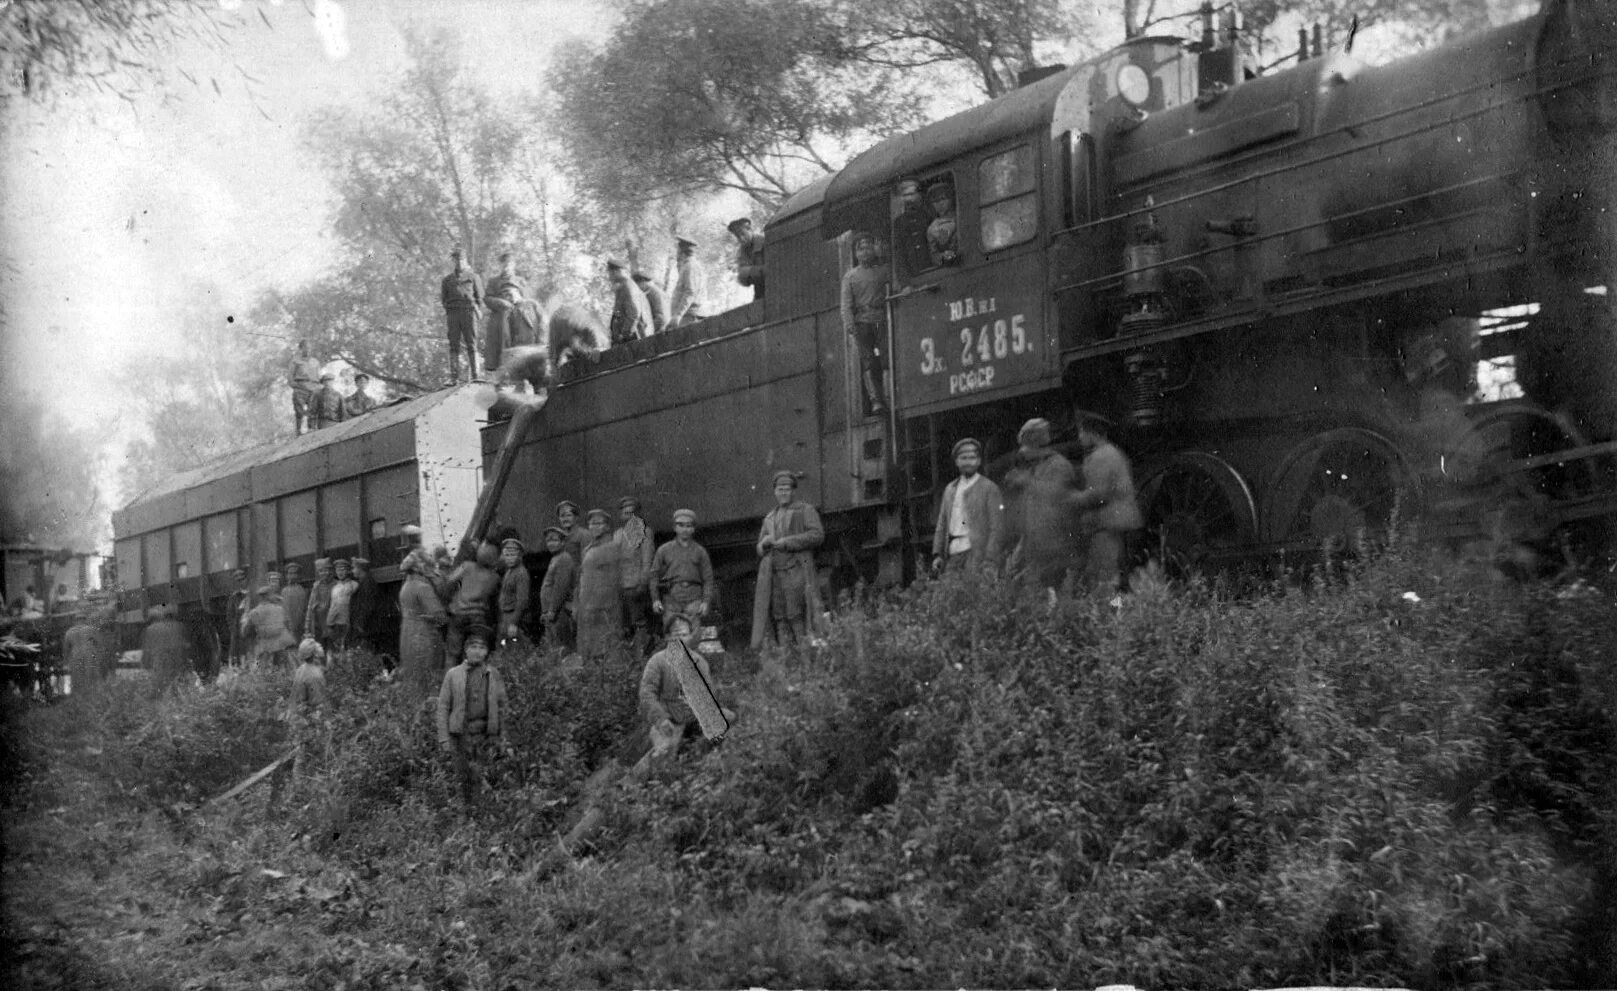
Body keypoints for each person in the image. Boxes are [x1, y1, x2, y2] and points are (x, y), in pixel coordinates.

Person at [638, 609, 735, 764]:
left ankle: (703, 761)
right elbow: (647, 694)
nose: (681, 639)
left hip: (694, 718)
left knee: (728, 720)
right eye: (676, 635)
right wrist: (661, 719)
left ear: (690, 636)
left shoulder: (700, 662)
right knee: (663, 755)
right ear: (668, 637)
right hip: (669, 721)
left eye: (684, 634)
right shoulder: (657, 662)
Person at [1002, 417, 1081, 595]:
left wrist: (1027, 481)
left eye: (1025, 447)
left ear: (1036, 445)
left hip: (1055, 546)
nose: (1022, 452)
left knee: (1056, 594)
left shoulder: (1059, 465)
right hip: (1036, 544)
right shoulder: (1038, 468)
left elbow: (1058, 495)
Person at [750, 470, 827, 649]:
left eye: (787, 489)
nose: (783, 493)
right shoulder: (769, 518)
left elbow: (817, 535)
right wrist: (764, 544)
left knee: (798, 614)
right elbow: (759, 548)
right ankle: (787, 656)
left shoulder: (805, 510)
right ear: (775, 492)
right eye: (780, 489)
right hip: (777, 575)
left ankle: (805, 654)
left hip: (798, 571)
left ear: (793, 491)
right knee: (780, 616)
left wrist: (789, 542)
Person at [436, 623, 509, 810]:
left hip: (485, 735)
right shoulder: (453, 675)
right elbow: (443, 706)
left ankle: (481, 814)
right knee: (462, 776)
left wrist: (503, 736)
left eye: (482, 648)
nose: (477, 652)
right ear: (466, 650)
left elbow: (503, 706)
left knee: (482, 774)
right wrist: (444, 738)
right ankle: (463, 812)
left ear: (487, 652)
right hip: (460, 735)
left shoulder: (493, 674)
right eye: (473, 647)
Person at [1072, 413, 1143, 594]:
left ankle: (1112, 615)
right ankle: (1117, 612)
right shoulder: (1113, 452)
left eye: (1082, 432)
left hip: (1107, 526)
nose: (1080, 437)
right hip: (1116, 525)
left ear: (1092, 433)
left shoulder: (1101, 456)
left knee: (1106, 577)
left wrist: (1071, 498)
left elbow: (1098, 494)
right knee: (1116, 575)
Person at [931, 437, 1006, 574]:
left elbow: (997, 528)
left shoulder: (989, 488)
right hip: (953, 555)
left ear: (978, 461)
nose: (968, 462)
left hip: (977, 555)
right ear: (957, 462)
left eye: (972, 458)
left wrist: (990, 560)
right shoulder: (950, 489)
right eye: (963, 458)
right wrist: (937, 554)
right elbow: (942, 524)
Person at [840, 231, 890, 416]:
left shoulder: (883, 270)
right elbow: (846, 304)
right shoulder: (850, 277)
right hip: (862, 323)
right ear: (855, 253)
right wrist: (850, 325)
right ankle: (876, 400)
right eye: (861, 249)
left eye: (868, 247)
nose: (865, 252)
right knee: (868, 361)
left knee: (886, 357)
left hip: (882, 319)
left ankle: (889, 395)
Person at [650, 508, 716, 622]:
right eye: (681, 525)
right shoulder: (663, 550)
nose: (685, 529)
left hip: (694, 600)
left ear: (693, 529)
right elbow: (654, 576)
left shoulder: (700, 551)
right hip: (671, 600)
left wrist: (705, 602)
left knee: (692, 637)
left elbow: (708, 579)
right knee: (674, 635)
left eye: (688, 526)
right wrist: (655, 600)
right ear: (674, 527)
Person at [398, 549, 449, 695]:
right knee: (429, 675)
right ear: (423, 568)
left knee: (413, 676)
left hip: (407, 634)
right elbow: (440, 617)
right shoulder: (423, 587)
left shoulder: (406, 586)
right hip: (424, 636)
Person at [575, 508, 623, 661]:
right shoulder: (588, 549)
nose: (594, 527)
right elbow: (581, 576)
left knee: (607, 644)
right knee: (588, 645)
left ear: (607, 527)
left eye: (598, 523)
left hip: (604, 606)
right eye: (591, 524)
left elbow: (614, 579)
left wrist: (599, 603)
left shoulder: (612, 547)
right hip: (586, 605)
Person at [613, 496, 657, 655]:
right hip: (621, 585)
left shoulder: (644, 532)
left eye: (632, 513)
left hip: (635, 584)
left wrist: (643, 582)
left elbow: (647, 559)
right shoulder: (618, 534)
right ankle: (628, 654)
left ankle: (642, 651)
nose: (629, 517)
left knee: (639, 620)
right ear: (621, 515)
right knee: (624, 621)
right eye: (625, 513)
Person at [445, 541, 501, 664]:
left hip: (459, 614)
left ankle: (450, 679)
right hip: (478, 617)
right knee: (475, 651)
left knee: (453, 652)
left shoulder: (467, 566)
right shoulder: (495, 577)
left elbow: (449, 580)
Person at [440, 245, 485, 385]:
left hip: (468, 312)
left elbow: (480, 297)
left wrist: (477, 309)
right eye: (456, 259)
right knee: (454, 345)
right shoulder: (447, 280)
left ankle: (476, 374)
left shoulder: (473, 277)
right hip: (453, 313)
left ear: (465, 260)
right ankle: (454, 378)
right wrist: (450, 309)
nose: (459, 262)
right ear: (453, 261)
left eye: (461, 259)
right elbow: (444, 299)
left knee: (472, 344)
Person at [484, 251, 525, 373]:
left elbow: (528, 300)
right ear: (500, 266)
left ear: (513, 265)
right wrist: (501, 302)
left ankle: (519, 375)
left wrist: (518, 298)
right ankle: (500, 373)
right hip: (500, 316)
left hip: (518, 315)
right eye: (503, 264)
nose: (506, 267)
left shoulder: (520, 281)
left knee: (521, 342)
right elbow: (487, 298)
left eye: (509, 264)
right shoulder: (493, 281)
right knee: (500, 340)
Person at [61, 607, 116, 697]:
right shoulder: (91, 629)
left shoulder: (69, 632)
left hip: (75, 655)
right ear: (85, 619)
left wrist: (65, 662)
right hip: (88, 654)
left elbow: (66, 649)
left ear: (75, 620)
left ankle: (79, 697)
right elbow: (99, 644)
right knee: (90, 676)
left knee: (77, 678)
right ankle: (90, 697)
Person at [539, 526, 577, 654]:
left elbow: (561, 587)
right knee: (553, 646)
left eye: (555, 540)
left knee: (562, 646)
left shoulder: (564, 559)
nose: (551, 544)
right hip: (552, 611)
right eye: (549, 541)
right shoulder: (555, 558)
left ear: (563, 542)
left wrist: (552, 610)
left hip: (560, 611)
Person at [241, 586, 297, 668]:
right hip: (281, 646)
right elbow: (288, 626)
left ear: (260, 598)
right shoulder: (279, 609)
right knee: (285, 668)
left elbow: (245, 631)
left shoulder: (254, 612)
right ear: (269, 596)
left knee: (259, 667)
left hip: (264, 648)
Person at [141, 605, 193, 689]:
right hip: (178, 660)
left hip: (161, 662)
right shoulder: (180, 626)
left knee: (161, 687)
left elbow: (147, 652)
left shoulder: (149, 630)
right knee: (180, 685)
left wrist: (146, 664)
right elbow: (185, 647)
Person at [891, 178, 934, 278]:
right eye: (905, 196)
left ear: (919, 196)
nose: (909, 199)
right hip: (914, 277)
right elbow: (899, 253)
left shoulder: (929, 215)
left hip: (934, 270)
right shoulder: (899, 222)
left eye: (911, 194)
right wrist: (905, 282)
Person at [607, 258, 652, 345]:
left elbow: (634, 313)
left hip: (633, 339)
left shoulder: (628, 287)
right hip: (630, 338)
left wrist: (624, 335)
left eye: (610, 272)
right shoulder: (623, 287)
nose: (609, 276)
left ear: (615, 272)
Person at [497, 536, 530, 643]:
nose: (509, 558)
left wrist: (513, 623)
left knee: (515, 646)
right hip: (506, 614)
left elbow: (522, 600)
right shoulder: (509, 571)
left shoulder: (521, 573)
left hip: (514, 615)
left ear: (519, 556)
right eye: (507, 555)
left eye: (513, 555)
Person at [668, 234, 706, 326]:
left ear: (681, 251)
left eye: (678, 250)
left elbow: (690, 292)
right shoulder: (689, 266)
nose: (676, 253)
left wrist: (678, 315)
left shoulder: (690, 266)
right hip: (687, 316)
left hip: (689, 317)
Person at [348, 557, 382, 655]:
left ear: (360, 569)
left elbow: (367, 606)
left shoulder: (367, 584)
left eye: (354, 568)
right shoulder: (363, 583)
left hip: (366, 629)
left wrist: (360, 624)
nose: (352, 571)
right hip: (364, 628)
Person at [288, 637, 328, 720]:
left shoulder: (300, 670)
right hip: (308, 717)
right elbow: (317, 702)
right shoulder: (316, 674)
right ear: (314, 654)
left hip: (296, 714)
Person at [326, 558, 359, 654]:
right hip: (336, 623)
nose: (340, 572)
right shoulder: (335, 588)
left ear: (348, 571)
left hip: (348, 621)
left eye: (343, 569)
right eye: (338, 570)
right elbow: (333, 605)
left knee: (349, 649)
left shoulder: (354, 585)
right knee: (337, 650)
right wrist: (329, 622)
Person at [290, 340, 321, 435]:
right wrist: (297, 386)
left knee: (313, 411)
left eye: (309, 348)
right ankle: (299, 431)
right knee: (299, 412)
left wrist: (318, 387)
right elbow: (290, 378)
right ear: (300, 349)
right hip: (301, 388)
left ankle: (312, 430)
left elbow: (319, 377)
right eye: (305, 348)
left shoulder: (315, 362)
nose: (307, 350)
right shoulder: (295, 361)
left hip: (313, 388)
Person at [926, 180, 961, 267]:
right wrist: (943, 256)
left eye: (943, 198)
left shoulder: (961, 214)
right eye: (935, 201)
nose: (939, 204)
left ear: (951, 198)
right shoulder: (933, 228)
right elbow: (934, 256)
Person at [729, 217, 766, 298]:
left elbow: (774, 269)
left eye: (742, 234)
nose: (741, 239)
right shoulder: (742, 251)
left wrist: (749, 272)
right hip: (760, 293)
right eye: (737, 236)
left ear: (750, 229)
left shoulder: (765, 242)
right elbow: (743, 279)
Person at [305, 557, 335, 646]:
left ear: (330, 571)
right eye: (321, 571)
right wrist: (307, 625)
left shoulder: (336, 585)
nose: (324, 573)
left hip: (332, 624)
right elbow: (310, 606)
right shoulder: (316, 586)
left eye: (326, 570)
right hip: (318, 625)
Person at [225, 568, 251, 667]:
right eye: (238, 581)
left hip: (250, 630)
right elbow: (230, 615)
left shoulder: (251, 595)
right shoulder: (234, 597)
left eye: (242, 579)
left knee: (252, 654)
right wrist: (234, 629)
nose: (241, 582)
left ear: (246, 579)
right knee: (237, 654)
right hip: (238, 632)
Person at [280, 562, 308, 642]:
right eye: (290, 573)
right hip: (285, 626)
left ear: (299, 576)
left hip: (298, 626)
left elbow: (302, 610)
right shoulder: (284, 591)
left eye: (294, 573)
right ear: (286, 576)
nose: (292, 576)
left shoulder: (302, 590)